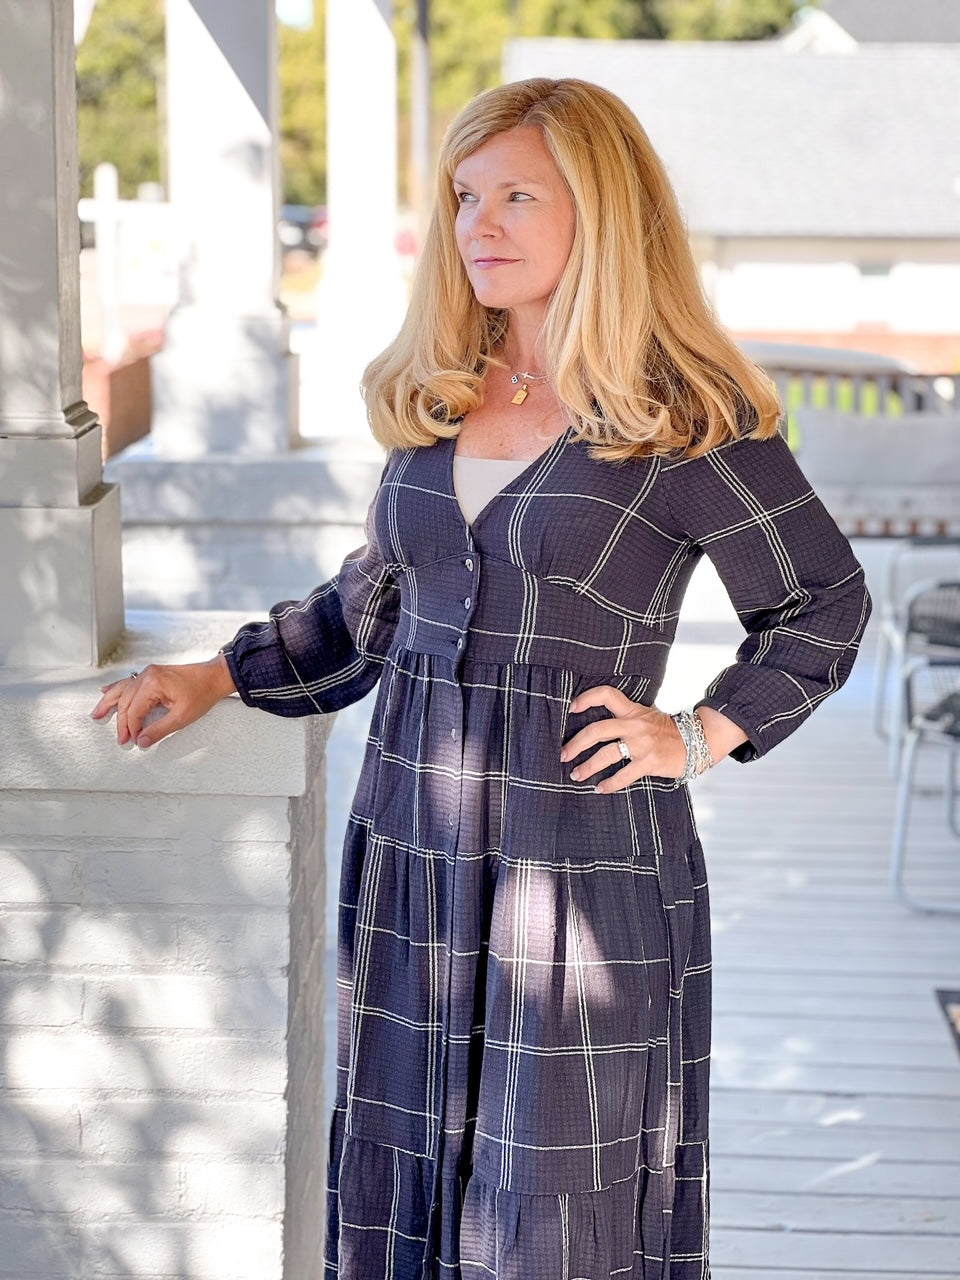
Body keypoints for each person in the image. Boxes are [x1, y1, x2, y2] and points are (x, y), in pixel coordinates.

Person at [92, 78, 871, 1280]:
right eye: (464, 196)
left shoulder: (680, 414)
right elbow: (371, 609)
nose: (479, 224)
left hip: (579, 863)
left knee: (552, 1187)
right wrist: (219, 674)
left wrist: (699, 730)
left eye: (519, 196)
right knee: (405, 1155)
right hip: (414, 845)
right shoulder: (442, 390)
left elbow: (823, 598)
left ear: (603, 211)